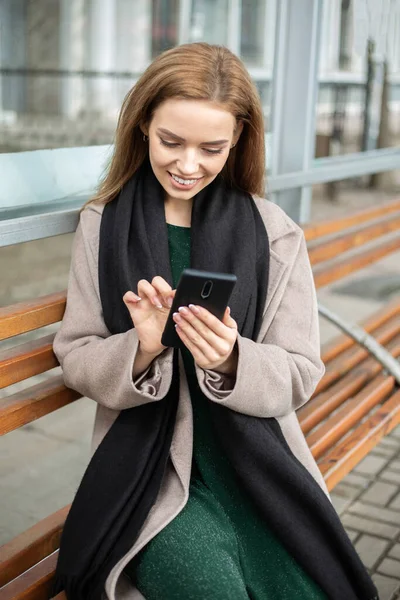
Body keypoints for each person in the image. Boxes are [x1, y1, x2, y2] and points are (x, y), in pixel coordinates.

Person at [52, 43, 378, 600]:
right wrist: (143, 348)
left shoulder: (274, 233)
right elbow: (77, 355)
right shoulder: (103, 226)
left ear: (239, 143)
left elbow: (301, 373)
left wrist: (232, 358)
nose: (187, 165)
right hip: (152, 479)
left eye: (211, 148)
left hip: (259, 471)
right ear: (141, 129)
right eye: (170, 141)